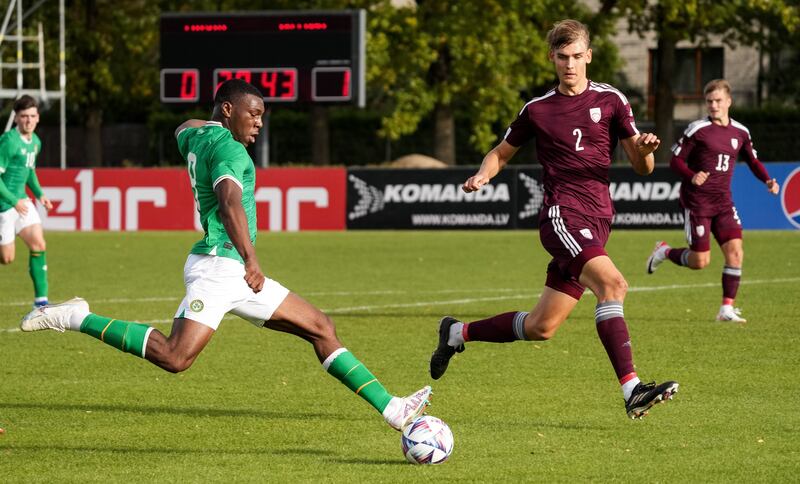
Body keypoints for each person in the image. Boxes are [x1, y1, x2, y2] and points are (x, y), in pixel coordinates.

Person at [20, 79, 431, 432]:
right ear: (230, 109)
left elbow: (188, 124)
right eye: (253, 114)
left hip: (232, 269)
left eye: (263, 117)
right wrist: (251, 259)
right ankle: (75, 316)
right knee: (175, 356)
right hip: (222, 266)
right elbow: (229, 201)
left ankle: (394, 409)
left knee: (321, 327)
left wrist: (215, 120)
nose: (258, 123)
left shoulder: (194, 136)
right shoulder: (234, 153)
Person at [428, 19, 678, 419]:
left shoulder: (612, 100)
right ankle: (632, 389)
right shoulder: (538, 109)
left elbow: (641, 167)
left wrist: (646, 150)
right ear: (552, 59)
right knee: (613, 285)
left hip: (598, 220)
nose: (570, 64)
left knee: (542, 326)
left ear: (589, 56)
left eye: (577, 56)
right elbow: (501, 153)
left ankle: (457, 333)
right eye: (562, 57)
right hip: (562, 215)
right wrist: (482, 174)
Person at [646, 79, 780, 323]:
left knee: (736, 252)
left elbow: (752, 160)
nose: (714, 105)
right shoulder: (697, 129)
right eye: (709, 101)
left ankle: (726, 309)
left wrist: (767, 180)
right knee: (700, 261)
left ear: (729, 101)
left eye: (718, 101)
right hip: (697, 203)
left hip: (723, 202)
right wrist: (692, 175)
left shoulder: (741, 132)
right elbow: (675, 161)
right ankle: (664, 251)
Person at [0, 95, 53, 308]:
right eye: (24, 117)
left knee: (39, 244)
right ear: (16, 119)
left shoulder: (36, 142)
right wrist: (13, 201)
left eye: (32, 116)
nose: (28, 121)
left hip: (21, 203)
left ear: (38, 118)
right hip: (5, 205)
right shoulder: (8, 142)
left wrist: (40, 194)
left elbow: (29, 170)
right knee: (6, 259)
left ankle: (41, 302)